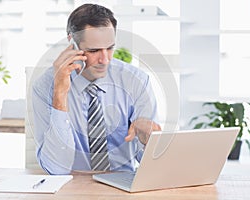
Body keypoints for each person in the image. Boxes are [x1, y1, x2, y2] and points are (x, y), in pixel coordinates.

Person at [32, 3, 161, 175]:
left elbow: (151, 165)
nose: (105, 59)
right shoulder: (45, 87)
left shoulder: (136, 81)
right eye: (94, 51)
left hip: (122, 186)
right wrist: (60, 95)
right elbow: (56, 168)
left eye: (110, 48)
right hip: (71, 187)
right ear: (73, 42)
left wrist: (147, 142)